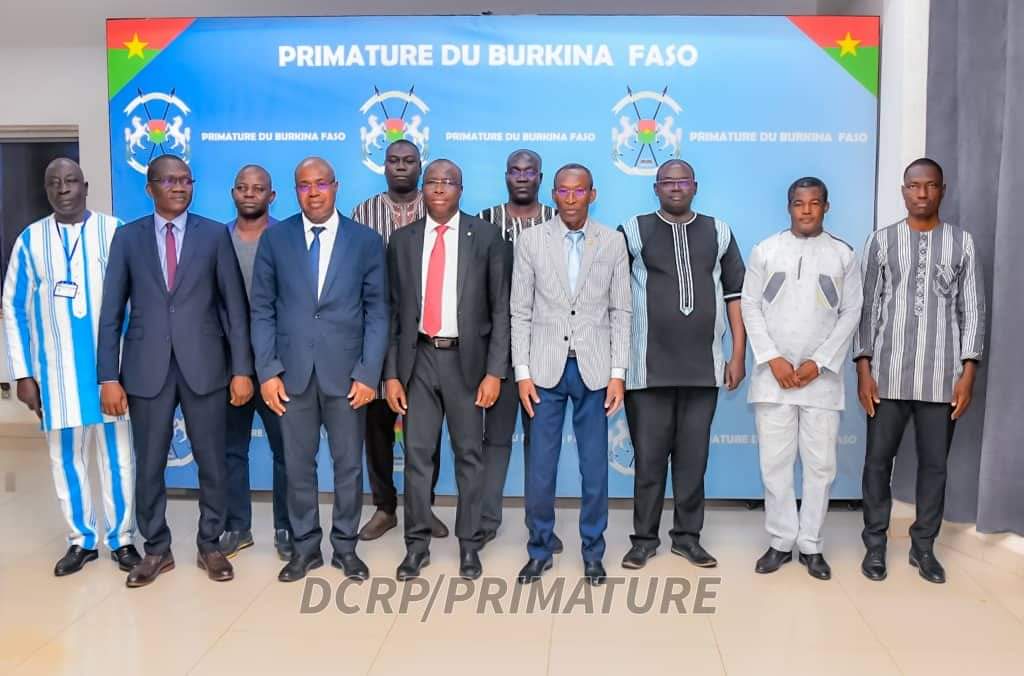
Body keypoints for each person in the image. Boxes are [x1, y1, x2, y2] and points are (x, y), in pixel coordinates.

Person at [97, 154, 253, 587]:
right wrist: (108, 376)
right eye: (169, 181)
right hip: (145, 369)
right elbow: (111, 313)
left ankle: (210, 544)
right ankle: (156, 549)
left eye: (186, 180)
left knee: (213, 461)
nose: (180, 187)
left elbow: (234, 308)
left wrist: (242, 369)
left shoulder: (214, 235)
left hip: (206, 366)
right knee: (149, 464)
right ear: (150, 188)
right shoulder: (127, 238)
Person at [251, 157, 389, 583]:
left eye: (321, 184)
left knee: (349, 467)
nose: (313, 193)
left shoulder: (365, 241)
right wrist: (267, 371)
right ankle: (305, 548)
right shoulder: (275, 239)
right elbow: (261, 309)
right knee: (297, 465)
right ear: (296, 191)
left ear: (336, 186)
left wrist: (368, 373)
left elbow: (378, 311)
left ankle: (345, 547)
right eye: (304, 185)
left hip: (347, 377)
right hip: (290, 376)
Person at [2, 158, 139, 577]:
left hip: (110, 374)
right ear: (46, 190)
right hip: (55, 376)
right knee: (65, 459)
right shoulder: (30, 240)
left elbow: (137, 301)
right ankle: (81, 540)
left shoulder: (115, 232)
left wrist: (132, 368)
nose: (63, 189)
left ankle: (122, 539)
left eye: (71, 181)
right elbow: (13, 307)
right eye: (54, 183)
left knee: (118, 458)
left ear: (86, 186)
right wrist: (22, 374)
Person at [854, 158, 985, 585]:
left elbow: (972, 311)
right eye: (914, 186)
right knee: (877, 464)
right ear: (903, 190)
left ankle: (923, 547)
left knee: (934, 467)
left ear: (942, 190)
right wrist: (863, 368)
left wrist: (967, 373)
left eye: (930, 186)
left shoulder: (962, 243)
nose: (922, 193)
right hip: (886, 376)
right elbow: (867, 308)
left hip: (941, 378)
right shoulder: (882, 241)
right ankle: (875, 544)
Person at [384, 159, 509, 581]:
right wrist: (391, 374)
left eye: (448, 182)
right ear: (422, 189)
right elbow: (393, 312)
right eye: (432, 182)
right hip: (417, 360)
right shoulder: (402, 241)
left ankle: (469, 545)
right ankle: (416, 546)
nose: (439, 188)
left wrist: (494, 372)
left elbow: (501, 309)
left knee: (469, 456)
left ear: (460, 189)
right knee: (417, 457)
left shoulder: (487, 236)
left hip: (466, 363)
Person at [618, 159, 746, 571]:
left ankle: (688, 539)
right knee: (649, 463)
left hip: (703, 370)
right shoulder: (633, 230)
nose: (676, 187)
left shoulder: (719, 231)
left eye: (683, 181)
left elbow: (735, 296)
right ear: (655, 188)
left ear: (696, 186)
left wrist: (738, 354)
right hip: (646, 369)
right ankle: (644, 540)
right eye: (667, 182)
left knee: (693, 462)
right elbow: (614, 297)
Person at [511, 163, 631, 586]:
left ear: (592, 195)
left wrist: (617, 374)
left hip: (595, 372)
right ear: (554, 195)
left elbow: (621, 311)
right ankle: (539, 549)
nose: (571, 198)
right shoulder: (531, 241)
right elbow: (520, 310)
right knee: (540, 469)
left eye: (579, 191)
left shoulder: (613, 242)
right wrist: (522, 374)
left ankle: (593, 552)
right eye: (563, 191)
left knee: (594, 468)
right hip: (544, 371)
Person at [741, 177, 862, 581]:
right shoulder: (766, 250)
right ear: (788, 206)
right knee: (774, 465)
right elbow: (750, 306)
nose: (806, 210)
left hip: (820, 381)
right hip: (773, 377)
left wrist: (819, 362)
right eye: (799, 203)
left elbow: (851, 312)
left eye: (814, 203)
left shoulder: (843, 254)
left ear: (826, 206)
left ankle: (811, 544)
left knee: (820, 467)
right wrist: (772, 358)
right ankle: (780, 541)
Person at [350, 140, 447, 542]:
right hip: (375, 332)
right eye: (394, 161)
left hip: (423, 336)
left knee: (425, 430)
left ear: (420, 166)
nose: (401, 167)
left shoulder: (437, 207)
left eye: (409, 161)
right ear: (384, 166)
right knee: (376, 428)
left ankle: (423, 506)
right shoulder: (364, 212)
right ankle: (385, 507)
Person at [476, 148, 559, 549]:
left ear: (540, 177)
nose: (522, 177)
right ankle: (485, 520)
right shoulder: (483, 222)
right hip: (496, 353)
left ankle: (540, 527)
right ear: (506, 176)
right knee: (494, 441)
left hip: (545, 353)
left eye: (530, 171)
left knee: (540, 446)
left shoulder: (558, 221)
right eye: (515, 170)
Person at [219, 164, 293, 561]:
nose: (250, 194)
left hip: (278, 368)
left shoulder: (286, 238)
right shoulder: (217, 239)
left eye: (258, 188)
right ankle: (237, 526)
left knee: (286, 452)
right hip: (230, 367)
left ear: (272, 196)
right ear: (233, 193)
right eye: (243, 187)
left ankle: (286, 527)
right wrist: (238, 368)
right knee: (231, 450)